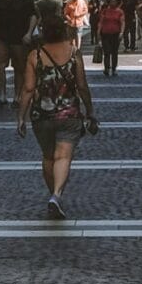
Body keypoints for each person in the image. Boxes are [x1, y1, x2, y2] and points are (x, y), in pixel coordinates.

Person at [17, 11, 97, 219]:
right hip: (68, 114)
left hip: (41, 115)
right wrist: (90, 111)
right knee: (63, 156)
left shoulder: (34, 55)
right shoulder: (73, 52)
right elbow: (82, 86)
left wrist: (20, 117)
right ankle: (56, 195)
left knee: (47, 156)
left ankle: (53, 195)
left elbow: (27, 89)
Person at [0, 0, 36, 106]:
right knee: (0, 66)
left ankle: (17, 97)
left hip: (18, 37)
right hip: (0, 37)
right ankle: (2, 96)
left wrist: (29, 33)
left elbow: (34, 16)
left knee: (19, 67)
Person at [94, 0, 125, 76]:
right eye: (111, 1)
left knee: (114, 52)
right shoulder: (105, 11)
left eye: (114, 1)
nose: (112, 3)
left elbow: (122, 22)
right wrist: (98, 31)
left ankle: (114, 68)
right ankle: (106, 68)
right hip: (105, 34)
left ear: (117, 2)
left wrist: (121, 32)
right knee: (107, 52)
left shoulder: (120, 12)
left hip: (115, 34)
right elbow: (101, 22)